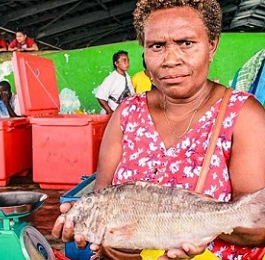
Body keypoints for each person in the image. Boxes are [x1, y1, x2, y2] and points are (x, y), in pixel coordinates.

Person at [52, 0, 265, 259]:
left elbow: (259, 225)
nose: (170, 59)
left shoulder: (243, 114)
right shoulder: (126, 115)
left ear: (212, 45)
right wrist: (118, 248)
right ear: (144, 52)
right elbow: (107, 209)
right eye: (157, 46)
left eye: (186, 43)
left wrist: (187, 226)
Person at [95, 50, 135, 114]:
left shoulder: (126, 75)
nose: (127, 63)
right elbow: (100, 97)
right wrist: (110, 112)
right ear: (116, 63)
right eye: (124, 60)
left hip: (125, 112)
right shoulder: (111, 79)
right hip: (114, 111)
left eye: (128, 60)